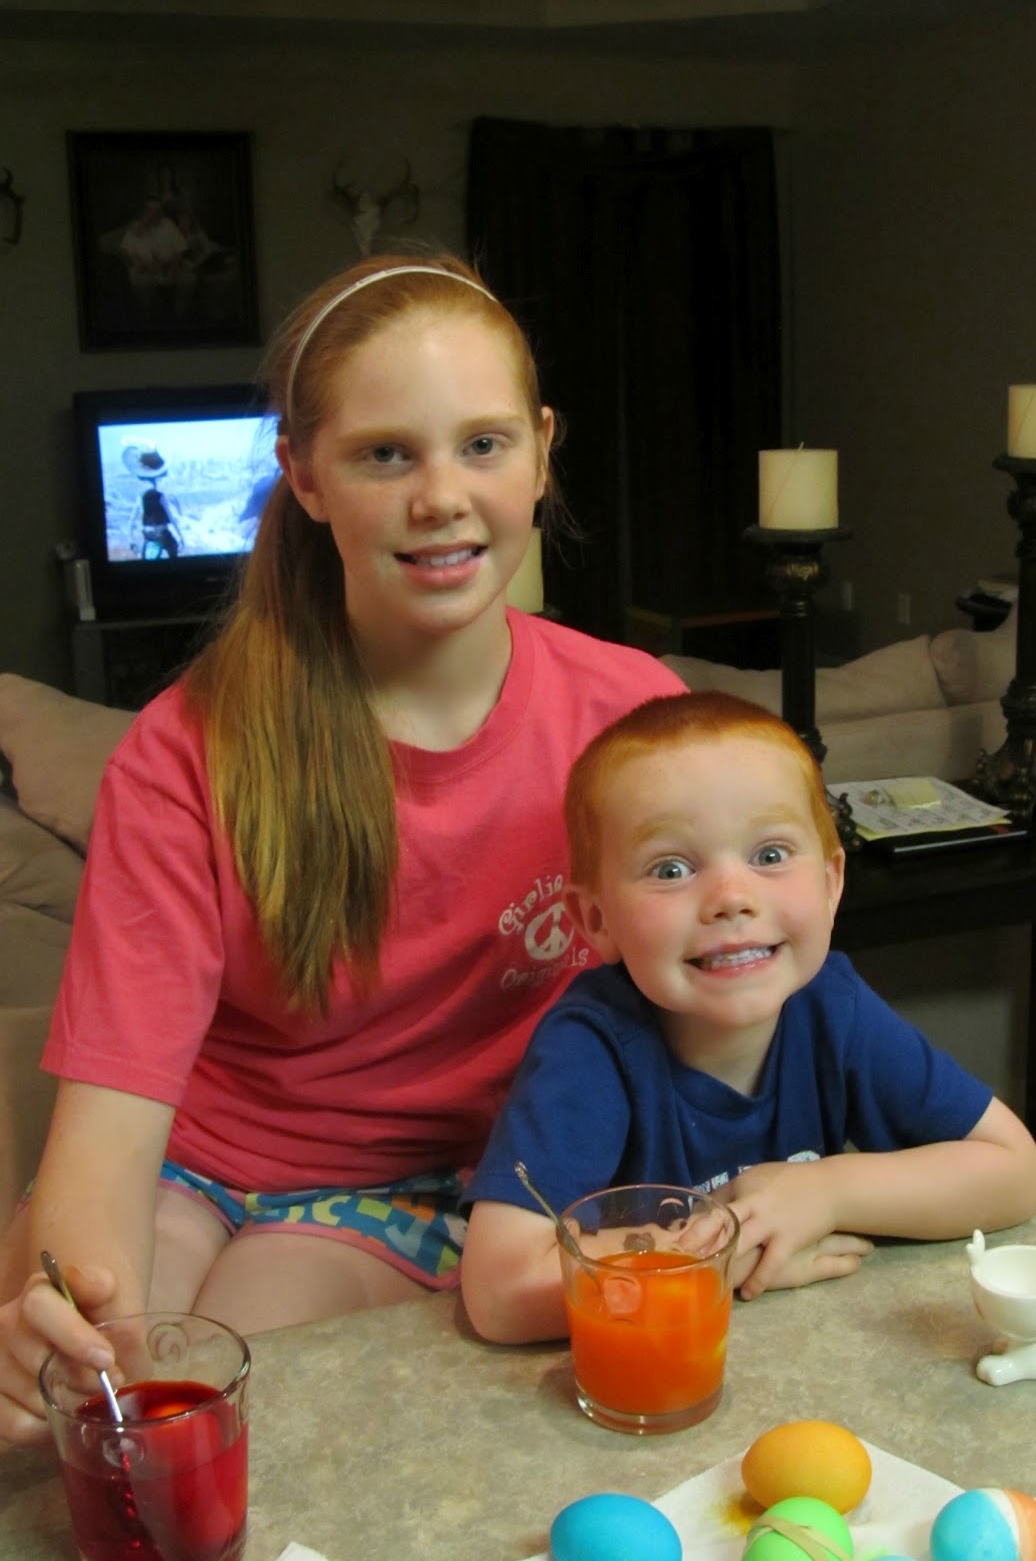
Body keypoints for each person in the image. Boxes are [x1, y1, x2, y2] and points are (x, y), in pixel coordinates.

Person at [0, 251, 683, 1444]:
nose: (442, 496)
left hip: (428, 1191)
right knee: (90, 1390)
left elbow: (734, 1008)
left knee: (209, 1409)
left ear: (541, 452)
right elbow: (106, 1129)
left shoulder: (633, 722)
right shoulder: (184, 751)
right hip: (189, 1165)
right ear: (304, 475)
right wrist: (58, 1304)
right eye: (385, 455)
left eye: (483, 443)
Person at [460, 691, 1036, 1344]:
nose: (732, 898)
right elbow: (499, 1293)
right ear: (597, 920)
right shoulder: (591, 1048)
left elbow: (1013, 1170)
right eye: (671, 868)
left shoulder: (833, 1006)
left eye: (769, 855)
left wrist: (825, 1192)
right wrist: (723, 1255)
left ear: (831, 884)